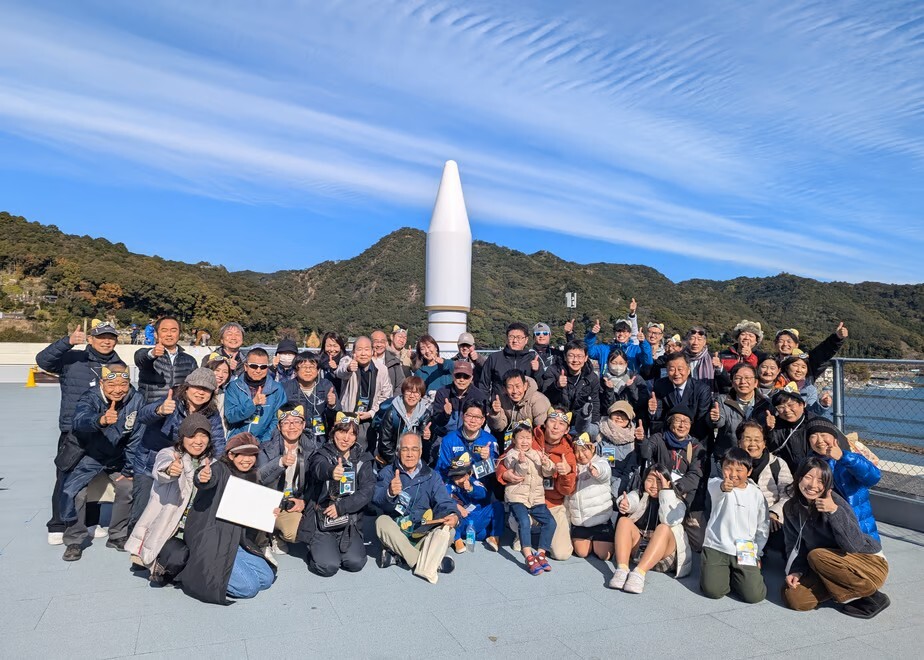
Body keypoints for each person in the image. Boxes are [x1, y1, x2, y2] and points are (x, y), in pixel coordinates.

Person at [37, 321, 123, 545]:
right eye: (101, 337)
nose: (106, 341)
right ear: (91, 339)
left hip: (102, 430)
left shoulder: (118, 365)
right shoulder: (72, 358)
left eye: (111, 338)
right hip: (72, 430)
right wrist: (67, 342)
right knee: (65, 476)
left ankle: (91, 521)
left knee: (95, 477)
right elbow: (43, 361)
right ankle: (58, 524)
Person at [782, 457, 889, 618]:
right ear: (798, 478)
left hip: (867, 564)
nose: (813, 485)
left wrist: (834, 511)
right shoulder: (790, 508)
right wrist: (796, 570)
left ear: (827, 484)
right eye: (808, 477)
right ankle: (838, 588)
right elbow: (794, 544)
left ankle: (874, 597)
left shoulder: (836, 502)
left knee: (817, 555)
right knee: (794, 598)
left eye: (820, 480)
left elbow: (853, 546)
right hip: (827, 567)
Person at [178, 433, 276, 604]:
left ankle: (232, 568)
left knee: (267, 579)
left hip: (235, 540)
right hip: (211, 539)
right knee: (249, 588)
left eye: (252, 455)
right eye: (242, 455)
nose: (247, 460)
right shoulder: (220, 469)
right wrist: (202, 476)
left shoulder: (252, 476)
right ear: (231, 455)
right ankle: (198, 572)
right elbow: (207, 478)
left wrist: (269, 512)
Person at [60, 363, 144, 561]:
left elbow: (136, 438)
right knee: (75, 492)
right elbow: (79, 419)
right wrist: (100, 420)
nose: (118, 390)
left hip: (116, 456)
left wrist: (129, 470)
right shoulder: (90, 397)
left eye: (123, 384)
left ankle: (117, 534)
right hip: (88, 455)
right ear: (101, 383)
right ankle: (74, 540)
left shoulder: (136, 399)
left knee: (128, 486)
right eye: (111, 385)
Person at [125, 413, 215, 583]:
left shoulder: (211, 463)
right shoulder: (169, 454)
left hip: (193, 528)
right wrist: (170, 470)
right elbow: (161, 469)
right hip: (168, 528)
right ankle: (159, 566)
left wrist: (209, 480)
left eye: (203, 436)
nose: (198, 441)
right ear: (182, 437)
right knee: (178, 557)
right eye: (192, 435)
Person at [133, 368, 227, 529]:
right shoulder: (171, 400)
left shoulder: (211, 413)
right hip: (150, 463)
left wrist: (213, 468)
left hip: (182, 468)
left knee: (166, 514)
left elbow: (218, 441)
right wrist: (159, 411)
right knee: (142, 513)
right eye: (197, 387)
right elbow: (142, 416)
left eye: (206, 389)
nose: (201, 392)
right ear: (187, 387)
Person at [373, 433, 459, 583]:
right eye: (405, 449)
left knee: (449, 530)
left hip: (423, 530)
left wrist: (453, 515)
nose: (410, 454)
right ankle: (427, 563)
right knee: (381, 522)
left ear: (420, 451)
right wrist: (389, 492)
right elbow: (376, 499)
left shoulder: (432, 476)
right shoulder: (387, 472)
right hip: (398, 532)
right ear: (398, 452)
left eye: (414, 449)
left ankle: (400, 557)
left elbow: (444, 501)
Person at [298, 413, 375, 576]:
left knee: (355, 563)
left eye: (352, 433)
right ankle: (316, 551)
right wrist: (331, 471)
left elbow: (367, 491)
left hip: (348, 520)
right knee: (328, 567)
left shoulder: (363, 459)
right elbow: (318, 468)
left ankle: (336, 548)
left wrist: (341, 507)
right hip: (323, 520)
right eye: (342, 431)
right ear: (333, 431)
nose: (346, 438)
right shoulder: (321, 454)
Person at [497, 407, 577, 561]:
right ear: (545, 423)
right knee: (519, 519)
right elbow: (504, 458)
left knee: (562, 554)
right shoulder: (528, 437)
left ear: (567, 430)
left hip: (551, 503)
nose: (555, 426)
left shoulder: (568, 452)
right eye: (552, 421)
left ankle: (542, 538)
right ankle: (521, 534)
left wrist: (566, 473)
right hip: (524, 498)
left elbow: (567, 490)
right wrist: (504, 474)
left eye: (561, 424)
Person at [700, 448, 769, 603]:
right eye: (728, 468)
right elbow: (720, 489)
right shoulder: (715, 484)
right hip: (717, 546)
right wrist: (724, 487)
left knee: (754, 596)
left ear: (749, 472)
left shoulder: (757, 494)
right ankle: (721, 573)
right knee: (713, 591)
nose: (732, 474)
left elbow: (762, 525)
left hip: (745, 548)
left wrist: (758, 553)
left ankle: (738, 577)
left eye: (739, 470)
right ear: (721, 468)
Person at [609, 464, 692, 593]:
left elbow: (668, 520)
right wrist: (625, 503)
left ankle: (639, 574)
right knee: (624, 521)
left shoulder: (677, 502)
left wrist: (665, 491)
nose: (653, 485)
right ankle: (622, 570)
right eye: (649, 480)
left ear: (667, 482)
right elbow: (632, 499)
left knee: (663, 528)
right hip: (640, 550)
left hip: (664, 557)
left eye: (659, 481)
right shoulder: (640, 494)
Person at [637, 406, 708, 549]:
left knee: (698, 543)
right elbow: (646, 453)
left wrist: (676, 488)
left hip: (685, 493)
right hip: (660, 491)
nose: (682, 425)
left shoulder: (696, 446)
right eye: (677, 420)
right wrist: (641, 441)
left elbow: (696, 475)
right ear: (670, 422)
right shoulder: (659, 439)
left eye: (686, 422)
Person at [256, 404, 321, 552]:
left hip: (294, 500)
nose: (292, 427)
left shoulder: (311, 450)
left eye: (296, 422)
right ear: (279, 427)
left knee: (304, 531)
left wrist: (304, 501)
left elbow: (315, 483)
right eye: (286, 423)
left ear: (303, 425)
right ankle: (269, 534)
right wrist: (279, 462)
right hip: (271, 503)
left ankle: (278, 531)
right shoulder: (266, 449)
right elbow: (260, 477)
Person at [806, 418, 881, 542]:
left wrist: (843, 457)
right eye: (813, 436)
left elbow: (873, 478)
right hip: (824, 523)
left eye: (824, 435)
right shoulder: (808, 463)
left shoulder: (850, 458)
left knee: (864, 550)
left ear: (835, 438)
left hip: (857, 522)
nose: (819, 440)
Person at [498, 422, 558, 574]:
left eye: (528, 438)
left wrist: (546, 463)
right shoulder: (511, 455)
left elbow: (548, 473)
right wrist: (522, 463)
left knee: (550, 522)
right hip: (517, 497)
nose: (524, 441)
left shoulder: (537, 453)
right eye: (521, 438)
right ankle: (528, 556)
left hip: (536, 498)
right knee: (524, 521)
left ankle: (541, 553)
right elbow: (519, 474)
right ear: (514, 440)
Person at [738, 421, 791, 554]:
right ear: (739, 442)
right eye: (747, 439)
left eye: (757, 440)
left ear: (764, 443)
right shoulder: (732, 465)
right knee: (747, 563)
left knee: (778, 551)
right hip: (743, 524)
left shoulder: (777, 464)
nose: (752, 444)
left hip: (772, 521)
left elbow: (788, 495)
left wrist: (774, 513)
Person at [335, 336, 393, 451]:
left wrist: (371, 413)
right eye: (359, 349)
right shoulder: (348, 362)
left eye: (366, 349)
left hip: (369, 419)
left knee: (367, 451)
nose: (363, 353)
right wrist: (349, 368)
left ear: (372, 351)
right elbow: (340, 372)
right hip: (349, 417)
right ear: (353, 352)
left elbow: (386, 395)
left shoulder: (381, 369)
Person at [766, 385, 840, 472]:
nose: (786, 410)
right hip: (786, 473)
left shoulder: (817, 424)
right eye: (781, 407)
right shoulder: (776, 424)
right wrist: (768, 430)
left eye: (790, 405)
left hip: (818, 471)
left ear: (802, 404)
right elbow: (771, 450)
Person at [709, 363, 773, 463]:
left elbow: (771, 436)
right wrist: (715, 419)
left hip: (756, 457)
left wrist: (770, 427)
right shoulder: (722, 400)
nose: (743, 382)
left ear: (756, 382)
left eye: (747, 378)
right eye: (738, 378)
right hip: (728, 457)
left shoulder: (765, 403)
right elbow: (719, 422)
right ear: (732, 382)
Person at [567, 433, 614, 561]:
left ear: (592, 449)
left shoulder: (600, 461)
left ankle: (605, 535)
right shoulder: (572, 466)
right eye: (577, 451)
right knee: (582, 553)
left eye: (584, 450)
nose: (581, 455)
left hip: (600, 520)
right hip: (580, 523)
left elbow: (605, 470)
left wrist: (596, 470)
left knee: (604, 555)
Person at [224, 348, 288, 442]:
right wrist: (252, 404)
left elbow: (278, 419)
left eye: (263, 367)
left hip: (265, 443)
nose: (258, 370)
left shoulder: (277, 389)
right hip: (237, 441)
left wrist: (263, 441)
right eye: (254, 366)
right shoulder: (234, 387)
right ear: (246, 367)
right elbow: (231, 416)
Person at [444, 452, 503, 553]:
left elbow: (483, 494)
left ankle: (494, 537)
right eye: (455, 476)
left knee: (497, 506)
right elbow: (443, 499)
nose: (459, 480)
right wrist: (456, 506)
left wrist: (471, 489)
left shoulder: (475, 482)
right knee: (449, 513)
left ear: (469, 473)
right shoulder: (449, 485)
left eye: (462, 475)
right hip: (463, 521)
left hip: (479, 517)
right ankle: (457, 540)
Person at [544, 339, 601, 439]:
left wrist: (594, 424)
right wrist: (556, 386)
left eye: (579, 356)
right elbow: (544, 396)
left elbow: (595, 403)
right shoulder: (553, 371)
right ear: (565, 357)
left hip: (578, 422)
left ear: (586, 358)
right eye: (571, 356)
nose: (575, 360)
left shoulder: (592, 378)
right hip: (557, 418)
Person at [134, 316, 198, 404]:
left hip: (178, 409)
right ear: (156, 334)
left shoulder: (190, 361)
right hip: (150, 408)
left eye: (174, 330)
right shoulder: (148, 355)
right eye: (164, 330)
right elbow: (140, 358)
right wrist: (153, 354)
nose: (169, 334)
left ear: (179, 334)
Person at [648, 352, 713, 439]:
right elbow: (658, 416)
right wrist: (652, 410)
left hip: (695, 437)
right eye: (672, 369)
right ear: (666, 371)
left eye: (680, 369)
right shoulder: (660, 385)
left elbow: (701, 420)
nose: (676, 373)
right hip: (669, 435)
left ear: (688, 370)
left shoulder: (702, 389)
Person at [374, 376, 433, 467]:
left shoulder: (425, 414)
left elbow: (423, 446)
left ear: (421, 395)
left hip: (413, 462)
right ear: (403, 392)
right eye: (409, 391)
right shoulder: (392, 413)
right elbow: (385, 443)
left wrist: (426, 437)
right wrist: (398, 464)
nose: (412, 396)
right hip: (391, 460)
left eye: (416, 392)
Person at [486, 370, 551, 451]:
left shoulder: (538, 401)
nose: (515, 391)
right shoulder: (502, 399)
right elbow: (499, 427)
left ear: (525, 386)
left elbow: (541, 432)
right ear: (504, 389)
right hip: (512, 442)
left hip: (533, 443)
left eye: (518, 386)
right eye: (510, 387)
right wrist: (496, 414)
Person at [282, 353, 339, 441]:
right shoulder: (286, 388)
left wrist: (332, 406)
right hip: (294, 436)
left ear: (318, 370)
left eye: (312, 367)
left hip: (320, 437)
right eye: (304, 367)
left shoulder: (326, 386)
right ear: (296, 370)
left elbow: (337, 415)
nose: (308, 370)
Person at [435, 400, 497, 482]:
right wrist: (456, 468)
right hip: (453, 482)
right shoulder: (448, 440)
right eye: (469, 416)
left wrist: (487, 459)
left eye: (477, 417)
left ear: (483, 420)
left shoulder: (490, 440)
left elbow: (495, 474)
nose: (473, 420)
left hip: (480, 484)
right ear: (462, 416)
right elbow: (440, 470)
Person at [429, 360, 489, 439]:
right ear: (453, 376)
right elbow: (437, 422)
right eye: (458, 376)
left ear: (471, 378)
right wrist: (445, 414)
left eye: (466, 376)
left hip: (469, 437)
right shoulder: (442, 393)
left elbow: (481, 423)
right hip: (444, 436)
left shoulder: (479, 396)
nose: (461, 380)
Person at [585, 306, 652, 376]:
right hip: (606, 382)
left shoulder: (636, 350)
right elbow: (589, 351)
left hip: (630, 382)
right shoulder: (604, 349)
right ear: (614, 333)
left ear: (630, 334)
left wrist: (643, 342)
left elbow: (648, 362)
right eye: (618, 331)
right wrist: (592, 335)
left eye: (625, 331)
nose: (621, 334)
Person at [773, 323, 849, 384]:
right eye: (781, 341)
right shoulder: (771, 362)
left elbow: (823, 351)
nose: (785, 344)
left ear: (796, 345)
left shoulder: (808, 361)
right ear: (775, 344)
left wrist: (837, 338)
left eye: (789, 341)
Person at [478, 322, 540, 395]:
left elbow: (540, 387)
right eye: (511, 337)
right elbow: (483, 385)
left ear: (526, 340)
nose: (515, 341)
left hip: (526, 401)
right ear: (507, 339)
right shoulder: (494, 358)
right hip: (499, 401)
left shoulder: (533, 359)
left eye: (519, 337)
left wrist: (536, 371)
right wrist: (486, 402)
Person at [598, 401, 644, 499]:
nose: (619, 417)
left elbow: (630, 471)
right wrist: (585, 416)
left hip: (622, 492)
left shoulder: (634, 439)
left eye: (624, 415)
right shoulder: (601, 432)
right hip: (601, 488)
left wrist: (613, 493)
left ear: (629, 419)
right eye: (616, 413)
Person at [714, 320, 767, 393]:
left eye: (751, 335)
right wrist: (719, 367)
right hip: (725, 393)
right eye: (743, 334)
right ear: (737, 337)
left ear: (756, 341)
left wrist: (749, 357)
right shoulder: (723, 355)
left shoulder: (762, 357)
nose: (746, 338)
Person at [600, 348, 648, 423]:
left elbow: (641, 403)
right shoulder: (603, 381)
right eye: (614, 363)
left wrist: (632, 387)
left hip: (632, 421)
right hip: (610, 421)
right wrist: (609, 390)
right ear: (608, 363)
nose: (617, 366)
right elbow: (604, 407)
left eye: (621, 363)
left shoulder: (635, 379)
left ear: (626, 364)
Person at [205, 356, 233, 436]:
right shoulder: (199, 392)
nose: (221, 375)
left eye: (225, 372)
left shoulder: (225, 394)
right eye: (217, 370)